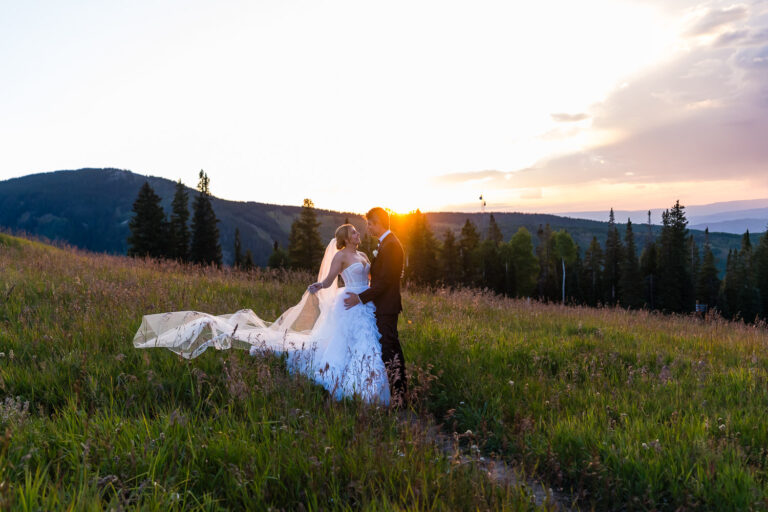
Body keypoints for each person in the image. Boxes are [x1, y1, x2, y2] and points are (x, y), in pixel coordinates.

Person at [133, 223, 390, 405]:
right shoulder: (341, 256)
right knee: (348, 342)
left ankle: (368, 382)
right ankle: (353, 386)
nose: (358, 233)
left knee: (366, 342)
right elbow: (330, 280)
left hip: (365, 302)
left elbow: (371, 276)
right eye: (354, 231)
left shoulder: (364, 254)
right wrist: (318, 286)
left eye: (357, 230)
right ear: (346, 237)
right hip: (348, 302)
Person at [343, 207, 408, 407]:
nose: (368, 227)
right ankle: (398, 394)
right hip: (382, 306)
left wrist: (360, 298)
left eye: (370, 223)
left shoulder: (391, 246)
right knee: (390, 348)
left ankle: (400, 398)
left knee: (390, 350)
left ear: (378, 221)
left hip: (387, 306)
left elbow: (384, 283)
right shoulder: (386, 244)